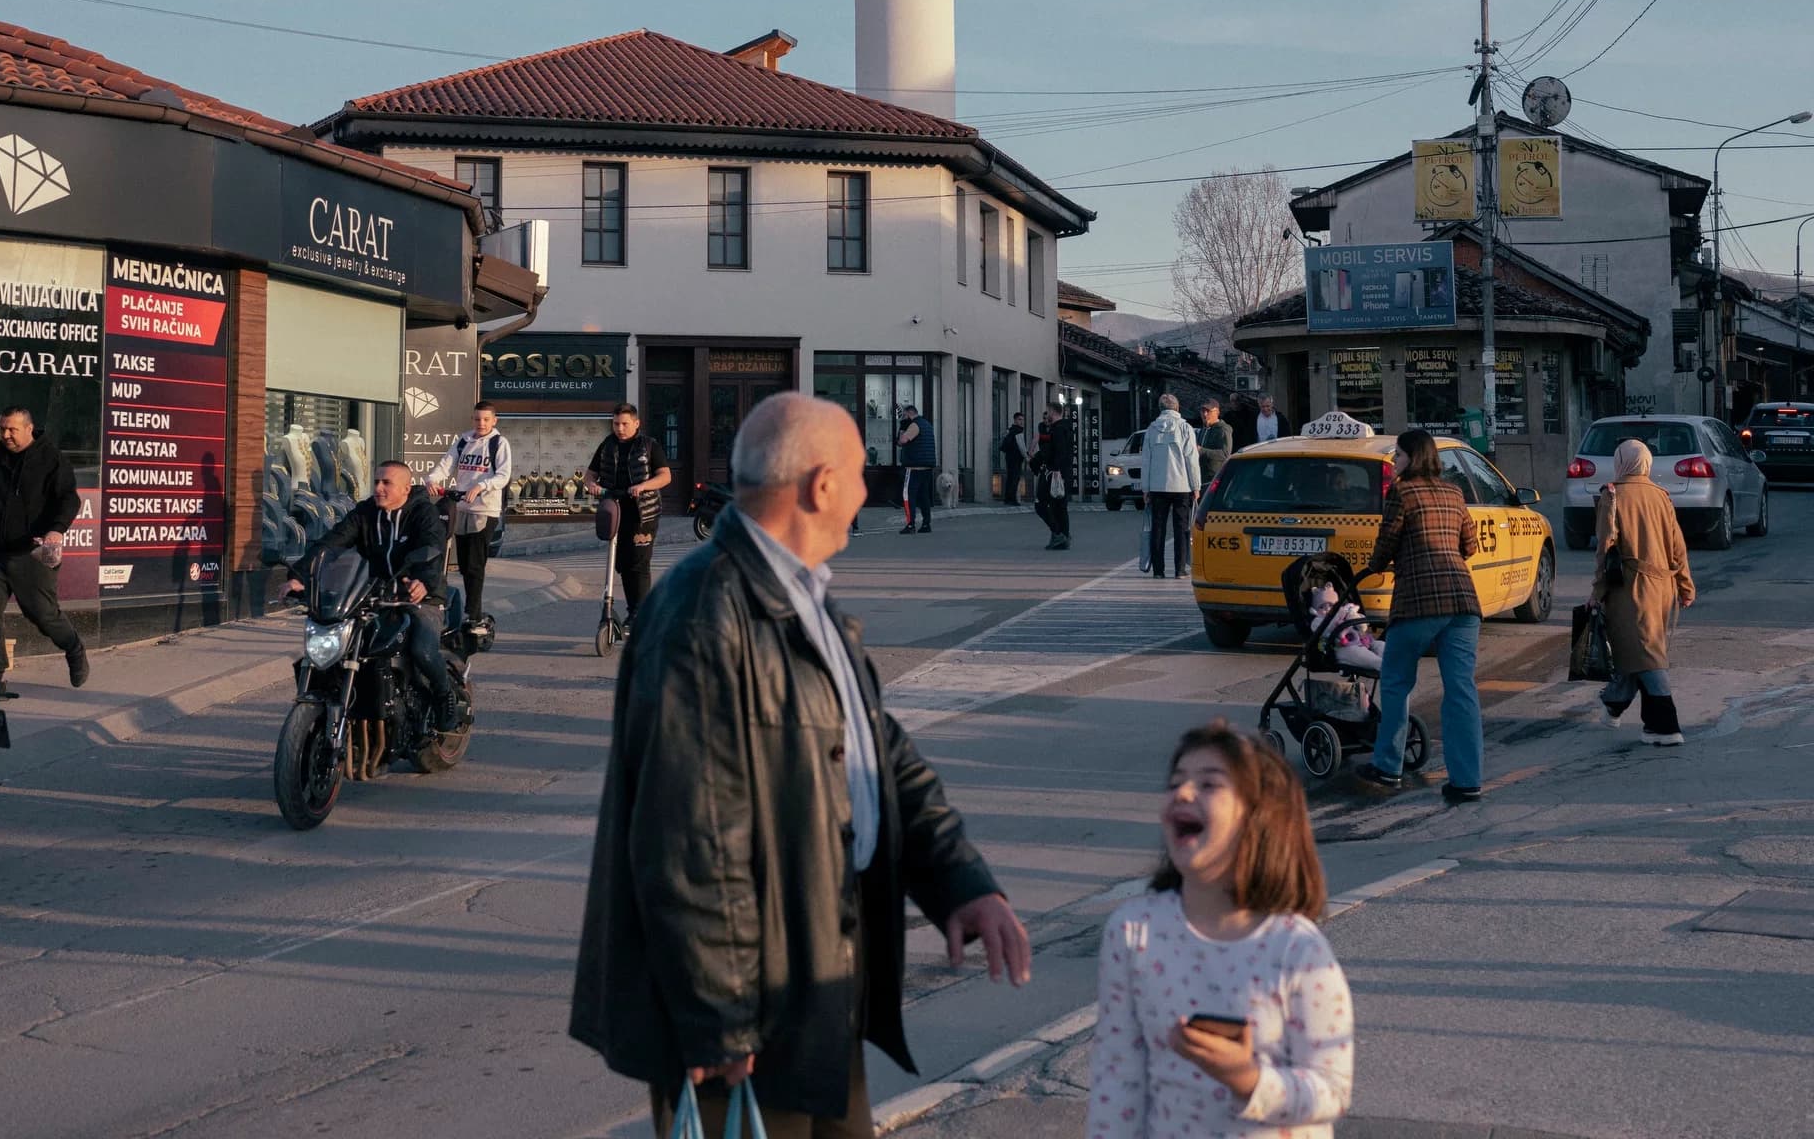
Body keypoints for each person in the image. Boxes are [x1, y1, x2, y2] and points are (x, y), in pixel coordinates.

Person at [570, 393, 1031, 1139]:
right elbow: (687, 835)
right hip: (742, 1020)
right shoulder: (705, 613)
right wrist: (717, 1013)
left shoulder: (803, 598)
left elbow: (881, 758)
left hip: (812, 985)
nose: (862, 491)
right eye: (856, 473)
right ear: (821, 485)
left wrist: (960, 882)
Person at [1090, 720, 1353, 1137]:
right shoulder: (1133, 932)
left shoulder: (1297, 950)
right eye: (1175, 782)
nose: (1184, 792)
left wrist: (1248, 1079)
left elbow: (1333, 1090)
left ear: (1258, 820)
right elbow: (1117, 1078)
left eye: (1209, 784)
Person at [284, 460, 462, 733]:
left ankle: (444, 696)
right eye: (376, 481)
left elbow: (432, 546)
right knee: (345, 646)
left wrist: (423, 581)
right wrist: (299, 575)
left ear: (405, 488)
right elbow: (331, 544)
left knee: (422, 650)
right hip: (372, 594)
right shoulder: (366, 513)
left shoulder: (422, 513)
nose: (378, 488)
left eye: (386, 483)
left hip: (419, 596)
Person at [1355, 429, 1483, 802]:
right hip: (1462, 603)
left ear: (1414, 457)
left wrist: (1376, 564)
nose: (1395, 462)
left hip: (1418, 602)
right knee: (1461, 690)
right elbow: (1469, 546)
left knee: (1395, 681)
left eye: (1398, 455)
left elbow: (1388, 539)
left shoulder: (1401, 492)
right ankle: (1467, 780)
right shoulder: (1454, 492)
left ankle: (1388, 766)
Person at [0, 406, 89, 688]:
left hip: (31, 552)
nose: (6, 435)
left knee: (42, 614)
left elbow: (68, 499)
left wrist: (56, 530)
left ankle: (73, 647)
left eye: (12, 429)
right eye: (2, 429)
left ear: (28, 428)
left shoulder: (51, 459)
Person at [1592, 438, 1696, 746]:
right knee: (1636, 649)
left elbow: (1605, 548)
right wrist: (1685, 586)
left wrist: (1597, 591)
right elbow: (1678, 547)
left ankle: (1666, 725)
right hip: (1662, 588)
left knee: (1646, 654)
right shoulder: (1661, 495)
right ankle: (1630, 713)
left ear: (1620, 461)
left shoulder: (1613, 495)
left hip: (1630, 588)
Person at [585, 403, 673, 635]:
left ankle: (640, 615)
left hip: (642, 512)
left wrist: (643, 486)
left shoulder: (649, 445)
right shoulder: (607, 445)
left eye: (625, 424)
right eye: (616, 424)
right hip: (615, 509)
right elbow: (589, 475)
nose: (620, 428)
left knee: (638, 562)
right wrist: (593, 486)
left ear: (636, 423)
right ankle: (635, 611)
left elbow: (665, 476)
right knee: (622, 564)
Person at [429, 404, 512, 639]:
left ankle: (474, 615)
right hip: (461, 508)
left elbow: (503, 475)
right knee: (463, 564)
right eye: (477, 419)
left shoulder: (499, 443)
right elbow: (446, 464)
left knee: (475, 565)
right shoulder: (464, 440)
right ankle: (462, 610)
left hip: (484, 510)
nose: (481, 423)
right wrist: (432, 480)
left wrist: (481, 486)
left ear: (494, 420)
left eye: (486, 419)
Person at [1141, 394, 1201, 579]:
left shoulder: (1151, 429)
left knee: (1158, 528)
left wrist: (1145, 488)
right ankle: (1180, 569)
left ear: (1160, 408)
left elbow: (1146, 460)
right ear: (1177, 407)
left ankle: (1158, 571)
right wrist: (1196, 485)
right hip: (1181, 485)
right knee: (1181, 528)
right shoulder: (1185, 427)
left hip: (1158, 486)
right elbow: (1192, 458)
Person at [1031, 404, 1073, 550]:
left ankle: (1058, 534)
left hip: (1053, 473)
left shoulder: (1057, 429)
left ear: (1053, 413)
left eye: (1048, 412)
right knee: (1059, 506)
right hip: (1063, 472)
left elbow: (1055, 452)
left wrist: (1054, 469)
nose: (1046, 415)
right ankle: (1064, 536)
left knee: (1040, 504)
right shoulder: (1066, 428)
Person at [896, 402, 937, 535]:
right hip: (927, 466)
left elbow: (902, 441)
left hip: (914, 467)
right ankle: (926, 523)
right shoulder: (927, 424)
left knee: (908, 496)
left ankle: (910, 524)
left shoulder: (914, 425)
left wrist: (902, 429)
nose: (904, 418)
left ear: (909, 414)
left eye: (904, 416)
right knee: (924, 496)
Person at [1197, 400, 1234, 489]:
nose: (1205, 414)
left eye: (1208, 411)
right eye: (1203, 411)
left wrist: (1201, 450)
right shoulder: (1203, 429)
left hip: (1214, 480)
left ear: (1217, 412)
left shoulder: (1223, 429)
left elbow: (1225, 454)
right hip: (1201, 479)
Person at [999, 411, 1027, 506]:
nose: (1021, 422)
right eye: (1019, 419)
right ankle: (1012, 499)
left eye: (1022, 420)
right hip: (1016, 458)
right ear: (1015, 420)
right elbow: (1021, 446)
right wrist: (1027, 457)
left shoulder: (1009, 430)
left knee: (1010, 477)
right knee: (1015, 478)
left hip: (1009, 457)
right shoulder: (1018, 431)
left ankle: (1007, 498)